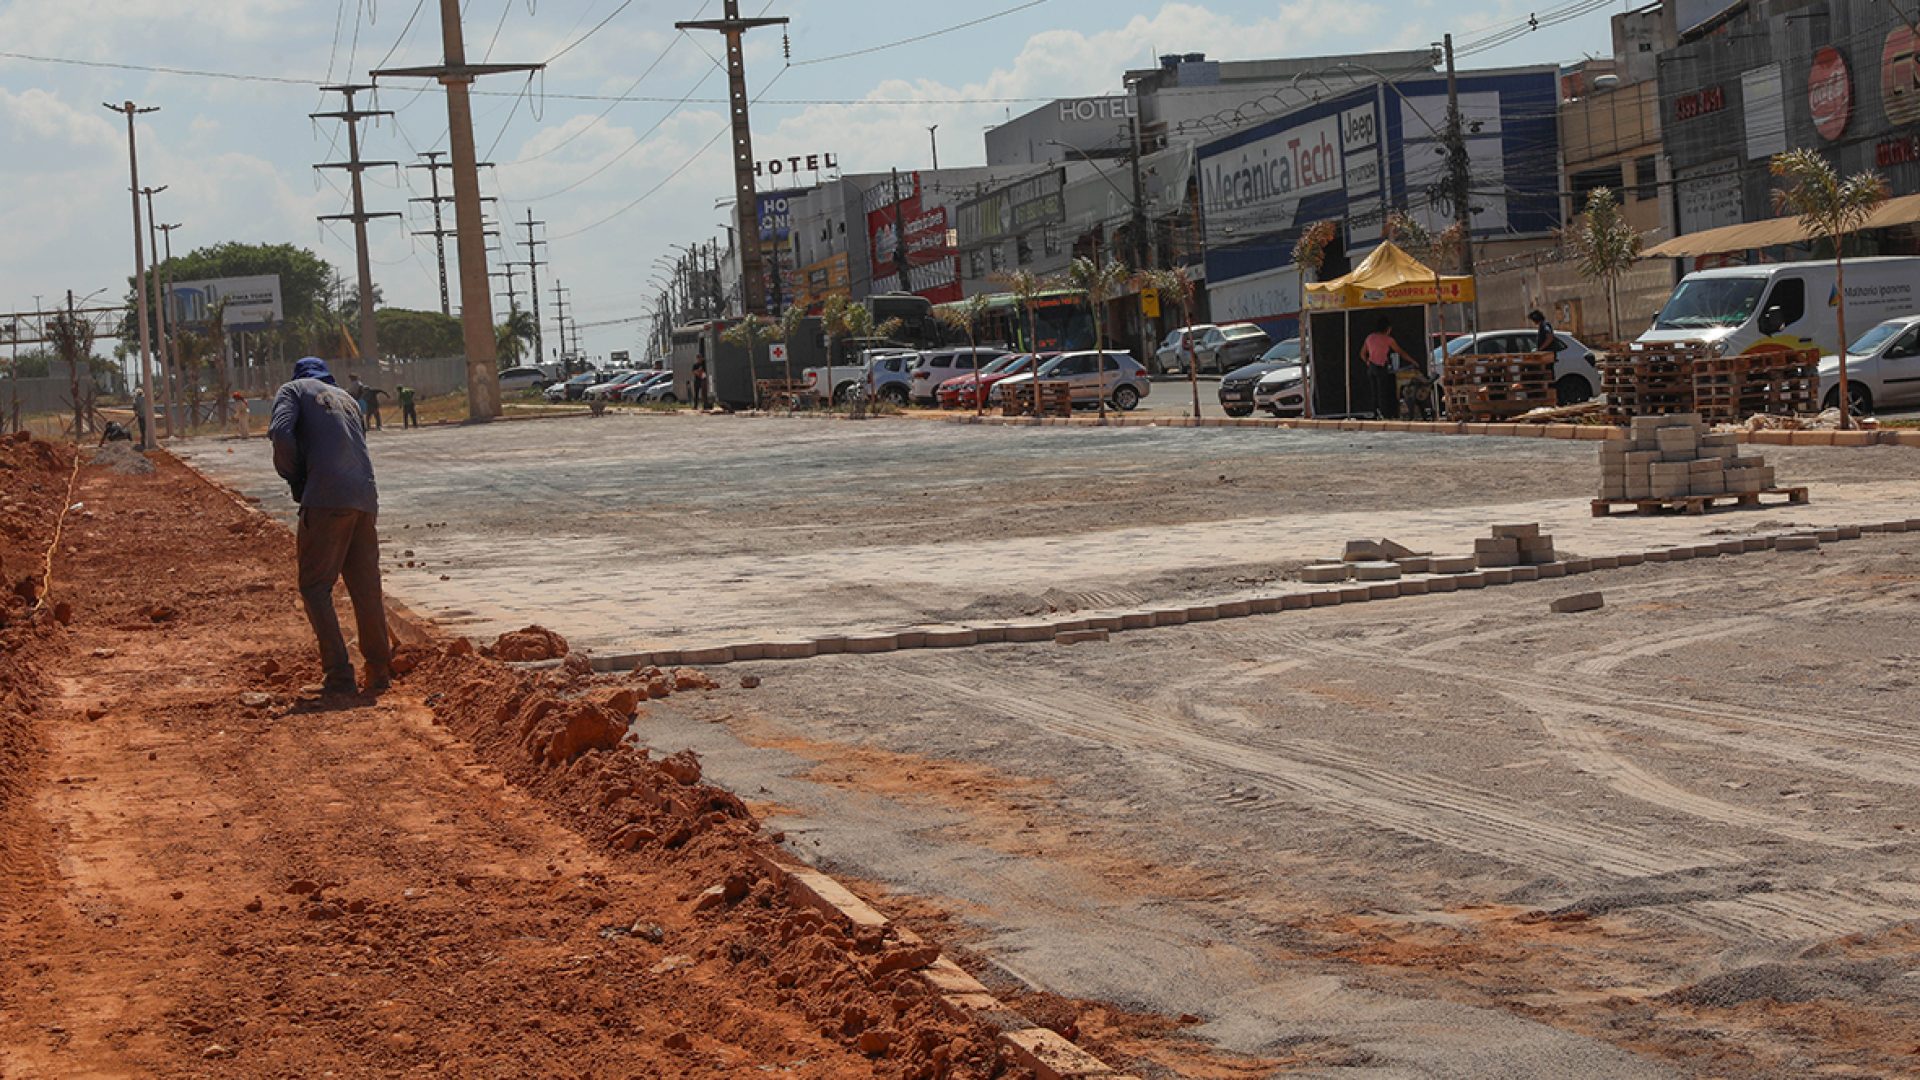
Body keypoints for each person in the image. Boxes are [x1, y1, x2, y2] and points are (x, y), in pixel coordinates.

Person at [269, 357, 392, 695]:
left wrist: (295, 476)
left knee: (315, 586)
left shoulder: (292, 390)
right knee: (366, 587)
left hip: (325, 498)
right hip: (365, 499)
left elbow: (281, 434)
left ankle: (339, 674)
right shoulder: (348, 399)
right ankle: (379, 670)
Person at [1361, 317, 1418, 419]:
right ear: (1388, 329)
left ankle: (1375, 413)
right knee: (1383, 392)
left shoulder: (1369, 338)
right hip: (1381, 367)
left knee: (1374, 392)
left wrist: (1367, 362)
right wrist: (1413, 361)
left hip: (1371, 367)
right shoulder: (1388, 340)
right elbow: (1400, 352)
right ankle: (1384, 414)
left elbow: (1362, 353)